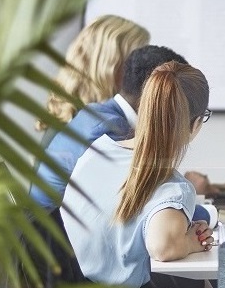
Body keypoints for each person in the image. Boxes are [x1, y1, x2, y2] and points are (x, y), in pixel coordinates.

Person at [62, 61, 213, 287]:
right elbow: (162, 248)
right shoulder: (174, 188)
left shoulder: (98, 151)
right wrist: (190, 243)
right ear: (196, 123)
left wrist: (184, 230)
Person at [30, 45, 189, 211]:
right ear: (155, 91)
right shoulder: (112, 130)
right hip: (52, 230)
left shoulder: (97, 111)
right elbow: (135, 204)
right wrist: (204, 210)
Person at [35, 14, 149, 134]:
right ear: (109, 65)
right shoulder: (94, 132)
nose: (145, 71)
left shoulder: (74, 121)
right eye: (137, 60)